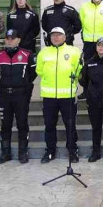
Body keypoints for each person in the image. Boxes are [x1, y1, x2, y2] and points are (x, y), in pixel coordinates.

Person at [36, 27, 83, 164]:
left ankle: (72, 150)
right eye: (53, 35)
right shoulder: (44, 52)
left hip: (67, 95)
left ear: (64, 37)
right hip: (49, 96)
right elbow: (40, 70)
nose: (56, 37)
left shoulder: (74, 51)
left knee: (70, 125)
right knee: (49, 125)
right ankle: (50, 151)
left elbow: (79, 68)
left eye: (59, 35)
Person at [0, 29, 37, 164]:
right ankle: (5, 153)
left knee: (22, 124)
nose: (10, 40)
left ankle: (23, 152)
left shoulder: (27, 54)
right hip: (5, 95)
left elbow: (32, 74)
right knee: (5, 125)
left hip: (21, 95)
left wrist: (24, 85)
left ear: (18, 40)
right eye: (7, 38)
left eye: (13, 38)